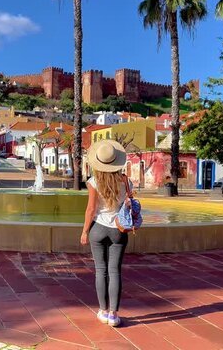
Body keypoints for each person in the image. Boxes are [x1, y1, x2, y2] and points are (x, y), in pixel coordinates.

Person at [81, 139, 135, 327]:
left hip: (98, 228)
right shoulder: (126, 181)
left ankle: (103, 311)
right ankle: (113, 315)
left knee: (100, 271)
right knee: (115, 271)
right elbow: (129, 202)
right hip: (119, 230)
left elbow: (90, 209)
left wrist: (85, 231)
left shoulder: (93, 182)